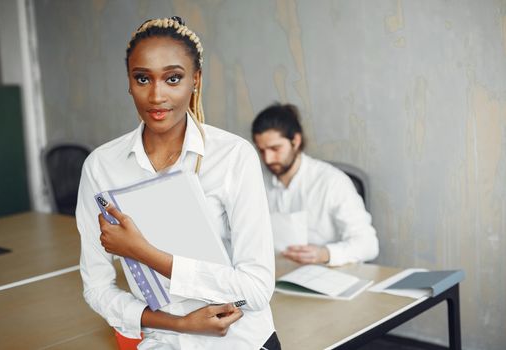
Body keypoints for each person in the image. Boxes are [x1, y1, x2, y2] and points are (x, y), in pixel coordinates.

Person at [76, 17, 280, 349]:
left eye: (173, 78)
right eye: (142, 78)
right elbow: (97, 289)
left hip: (240, 343)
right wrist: (179, 324)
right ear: (129, 82)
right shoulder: (101, 166)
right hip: (163, 343)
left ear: (195, 80)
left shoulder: (233, 157)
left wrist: (144, 253)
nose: (156, 95)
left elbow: (255, 290)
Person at [252, 103, 379, 267]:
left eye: (275, 148)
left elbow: (368, 245)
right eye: (261, 150)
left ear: (295, 141)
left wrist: (324, 254)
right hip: (274, 278)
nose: (267, 158)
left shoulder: (332, 182)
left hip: (327, 276)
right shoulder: (256, 181)